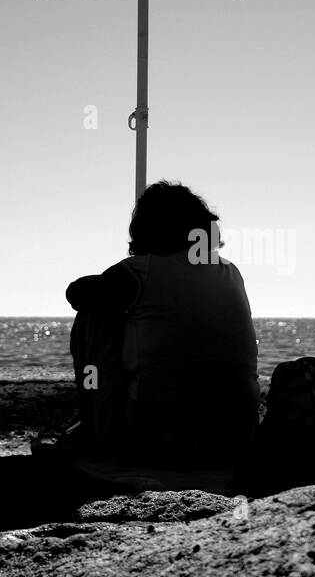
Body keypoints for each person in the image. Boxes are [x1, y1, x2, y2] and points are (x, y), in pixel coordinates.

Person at [66, 181, 259, 467]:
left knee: (93, 315)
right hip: (235, 437)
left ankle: (91, 427)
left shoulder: (140, 271)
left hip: (157, 441)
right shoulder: (230, 272)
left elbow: (76, 293)